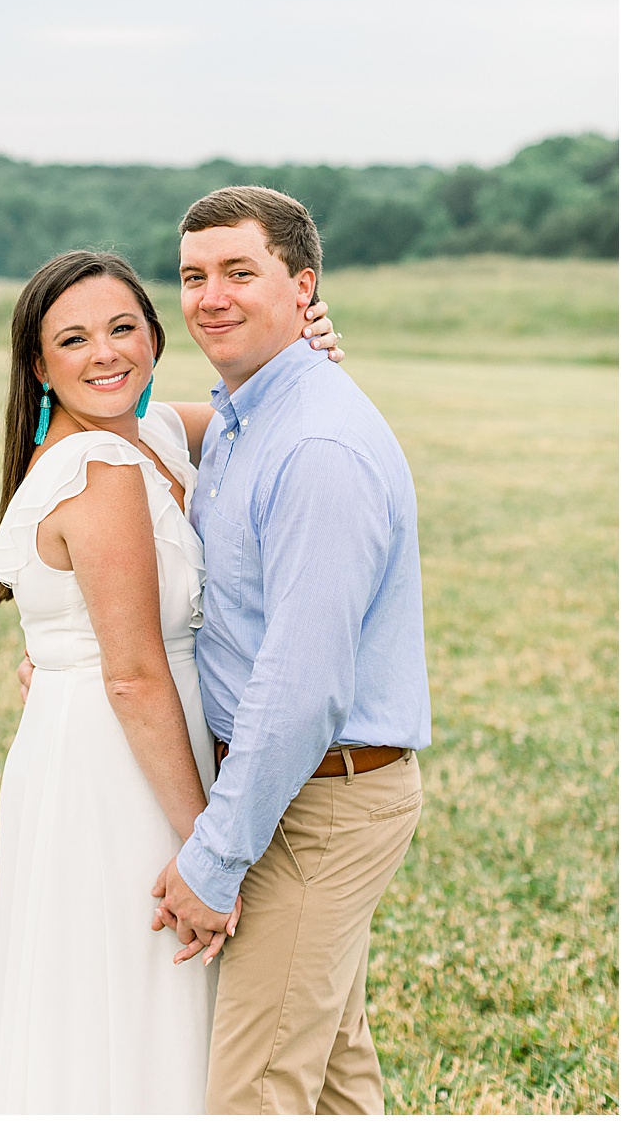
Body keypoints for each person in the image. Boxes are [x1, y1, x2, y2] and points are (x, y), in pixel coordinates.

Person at [0, 248, 346, 1112]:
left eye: (122, 328)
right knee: (133, 990)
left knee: (137, 994)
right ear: (39, 365)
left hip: (127, 742)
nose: (105, 354)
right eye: (73, 340)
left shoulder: (144, 436)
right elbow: (137, 676)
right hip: (121, 764)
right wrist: (207, 852)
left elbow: (262, 415)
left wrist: (312, 343)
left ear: (153, 335)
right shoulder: (96, 470)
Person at [153, 187, 430, 1114]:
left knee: (254, 1093)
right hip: (295, 789)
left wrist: (214, 857)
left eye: (240, 272)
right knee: (331, 1079)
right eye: (194, 277)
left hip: (319, 801)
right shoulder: (247, 414)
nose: (210, 297)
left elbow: (303, 687)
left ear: (301, 285)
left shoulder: (314, 443)